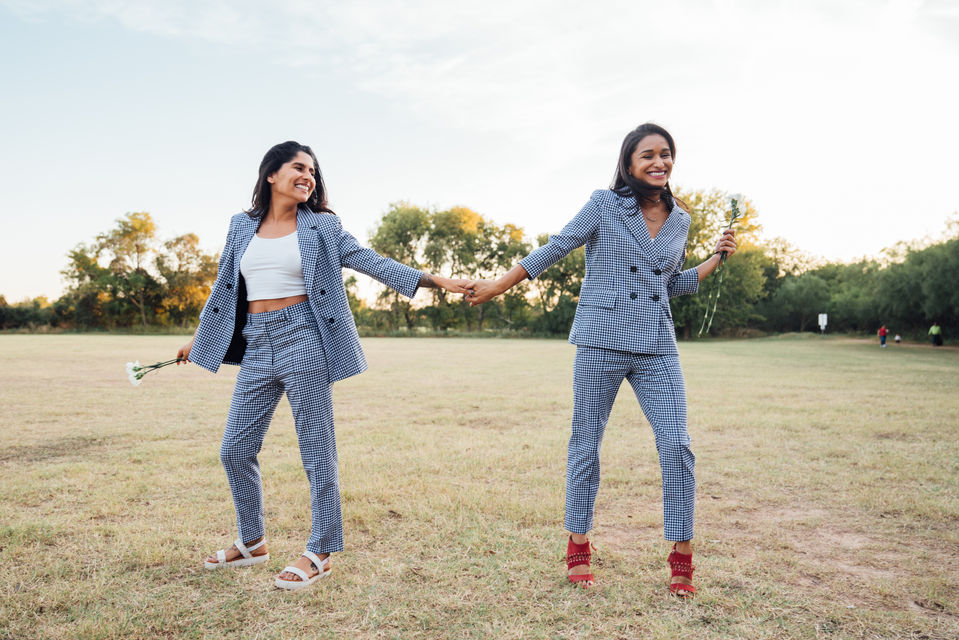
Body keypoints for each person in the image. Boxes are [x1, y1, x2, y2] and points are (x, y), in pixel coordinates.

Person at [176, 141, 471, 590]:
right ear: (271, 174)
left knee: (316, 450)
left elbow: (373, 263)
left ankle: (321, 550)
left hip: (304, 338)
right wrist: (200, 339)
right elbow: (224, 290)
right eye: (298, 167)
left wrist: (435, 280)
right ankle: (252, 542)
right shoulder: (241, 227)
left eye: (312, 171)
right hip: (256, 343)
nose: (308, 176)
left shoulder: (322, 228)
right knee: (234, 449)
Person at [467, 123, 737, 597]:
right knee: (586, 444)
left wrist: (715, 258)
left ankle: (681, 553)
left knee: (678, 445)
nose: (660, 162)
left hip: (657, 344)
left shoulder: (681, 220)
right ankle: (578, 543)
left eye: (666, 154)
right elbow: (556, 247)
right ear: (629, 163)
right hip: (601, 338)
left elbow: (667, 282)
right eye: (648, 155)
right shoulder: (604, 206)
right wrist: (498, 284)